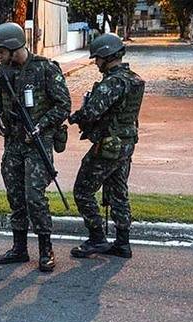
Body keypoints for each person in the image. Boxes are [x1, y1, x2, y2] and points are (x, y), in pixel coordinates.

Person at [0, 22, 71, 272]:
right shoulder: (3, 72)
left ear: (12, 47)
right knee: (15, 196)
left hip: (37, 144)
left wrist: (41, 125)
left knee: (35, 198)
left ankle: (46, 250)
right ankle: (19, 249)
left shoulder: (45, 69)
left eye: (0, 50)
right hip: (12, 144)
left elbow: (63, 105)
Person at [68, 33, 145, 259]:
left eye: (97, 59)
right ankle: (122, 242)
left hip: (109, 145)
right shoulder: (134, 79)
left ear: (106, 56)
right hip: (127, 143)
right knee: (118, 191)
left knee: (82, 191)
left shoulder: (112, 83)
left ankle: (97, 239)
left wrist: (77, 117)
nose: (96, 63)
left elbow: (92, 112)